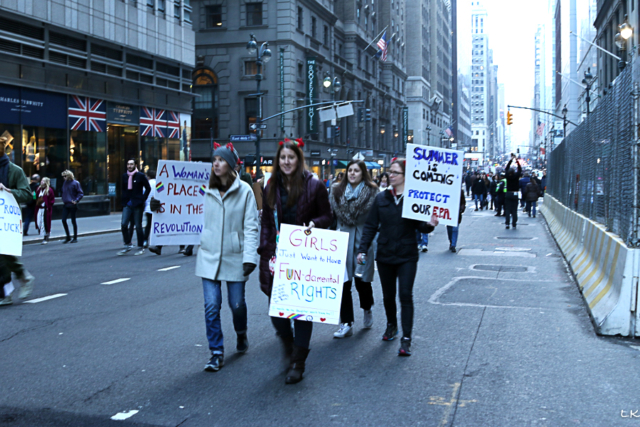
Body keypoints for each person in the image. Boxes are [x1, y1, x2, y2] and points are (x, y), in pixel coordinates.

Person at [258, 139, 332, 384]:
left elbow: (327, 216)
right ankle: (289, 346)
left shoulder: (315, 185)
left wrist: (315, 224)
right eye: (282, 158)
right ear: (278, 161)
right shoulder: (270, 187)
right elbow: (267, 224)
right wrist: (265, 253)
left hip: (304, 258)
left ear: (298, 159)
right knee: (277, 314)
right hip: (277, 257)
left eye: (291, 157)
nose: (286, 162)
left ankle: (299, 362)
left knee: (302, 312)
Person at [358, 159, 439, 357]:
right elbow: (370, 226)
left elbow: (420, 226)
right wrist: (362, 249)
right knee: (387, 296)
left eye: (395, 172)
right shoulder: (381, 198)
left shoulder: (414, 199)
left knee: (405, 294)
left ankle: (406, 339)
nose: (390, 175)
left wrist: (430, 224)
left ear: (405, 176)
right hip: (385, 254)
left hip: (407, 255)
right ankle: (391, 325)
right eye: (390, 172)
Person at [196, 143, 259, 372]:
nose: (216, 164)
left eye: (221, 160)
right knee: (211, 305)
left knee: (237, 304)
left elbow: (251, 227)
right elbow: (182, 211)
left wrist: (250, 257)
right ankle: (216, 352)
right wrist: (159, 208)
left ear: (231, 165)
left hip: (235, 256)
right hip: (209, 255)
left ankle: (241, 333)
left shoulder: (245, 191)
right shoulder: (204, 189)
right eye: (214, 160)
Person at [329, 160, 378, 339]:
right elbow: (331, 217)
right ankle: (346, 322)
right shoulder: (335, 191)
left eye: (356, 171)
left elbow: (375, 220)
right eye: (350, 170)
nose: (352, 173)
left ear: (363, 173)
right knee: (343, 283)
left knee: (362, 282)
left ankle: (367, 307)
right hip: (341, 240)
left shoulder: (372, 192)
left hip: (362, 241)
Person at [0, 136, 35, 306]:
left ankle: (22, 278)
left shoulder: (15, 170)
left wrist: (8, 191)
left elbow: (27, 194)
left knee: (3, 254)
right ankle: (8, 290)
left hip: (8, 219)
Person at [118, 159, 151, 256]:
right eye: (128, 164)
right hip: (127, 204)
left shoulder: (140, 176)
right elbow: (123, 189)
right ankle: (127, 244)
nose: (129, 166)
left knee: (138, 225)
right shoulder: (125, 176)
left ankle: (140, 247)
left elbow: (148, 188)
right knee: (124, 224)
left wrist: (142, 199)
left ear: (135, 165)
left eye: (131, 164)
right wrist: (124, 200)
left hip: (137, 204)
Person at [61, 170, 84, 243]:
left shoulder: (75, 183)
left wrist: (76, 200)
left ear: (69, 176)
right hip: (66, 204)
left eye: (65, 176)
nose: (64, 178)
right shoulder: (65, 183)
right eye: (63, 176)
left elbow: (80, 193)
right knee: (63, 220)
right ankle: (68, 236)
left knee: (73, 221)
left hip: (72, 204)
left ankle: (75, 237)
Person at [504, 154, 523, 229]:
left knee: (507, 210)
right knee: (514, 210)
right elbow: (520, 169)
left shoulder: (507, 176)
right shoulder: (516, 176)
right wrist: (517, 161)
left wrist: (511, 160)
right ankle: (514, 223)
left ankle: (507, 223)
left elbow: (506, 168)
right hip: (515, 193)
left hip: (508, 193)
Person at [35, 177, 55, 245]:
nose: (41, 182)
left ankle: (46, 237)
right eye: (41, 180)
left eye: (43, 181)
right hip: (39, 208)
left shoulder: (49, 190)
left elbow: (52, 200)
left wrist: (48, 205)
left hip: (46, 209)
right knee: (39, 222)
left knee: (46, 223)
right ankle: (43, 234)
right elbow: (35, 198)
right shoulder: (38, 189)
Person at [143, 170, 156, 248]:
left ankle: (145, 240)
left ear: (148, 176)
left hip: (148, 207)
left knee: (148, 225)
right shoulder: (159, 183)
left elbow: (143, 194)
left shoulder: (147, 184)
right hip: (157, 207)